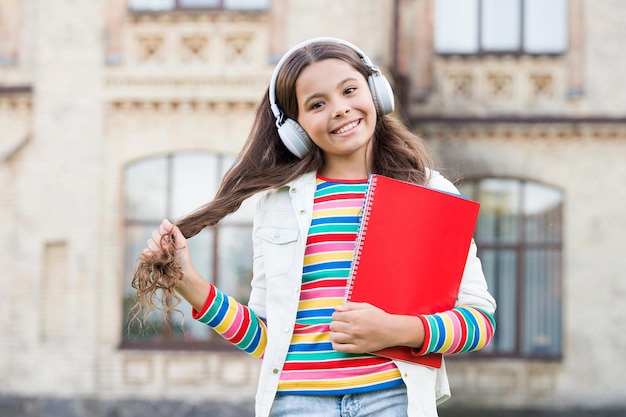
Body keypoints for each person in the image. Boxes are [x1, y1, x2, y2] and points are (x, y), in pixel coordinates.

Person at [133, 37, 496, 417]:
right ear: (296, 127)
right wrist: (188, 283)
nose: (340, 109)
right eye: (317, 104)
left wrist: (398, 330)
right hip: (296, 405)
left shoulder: (431, 193)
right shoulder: (277, 205)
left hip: (392, 400)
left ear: (376, 92)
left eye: (350, 90)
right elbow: (267, 338)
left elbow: (479, 322)